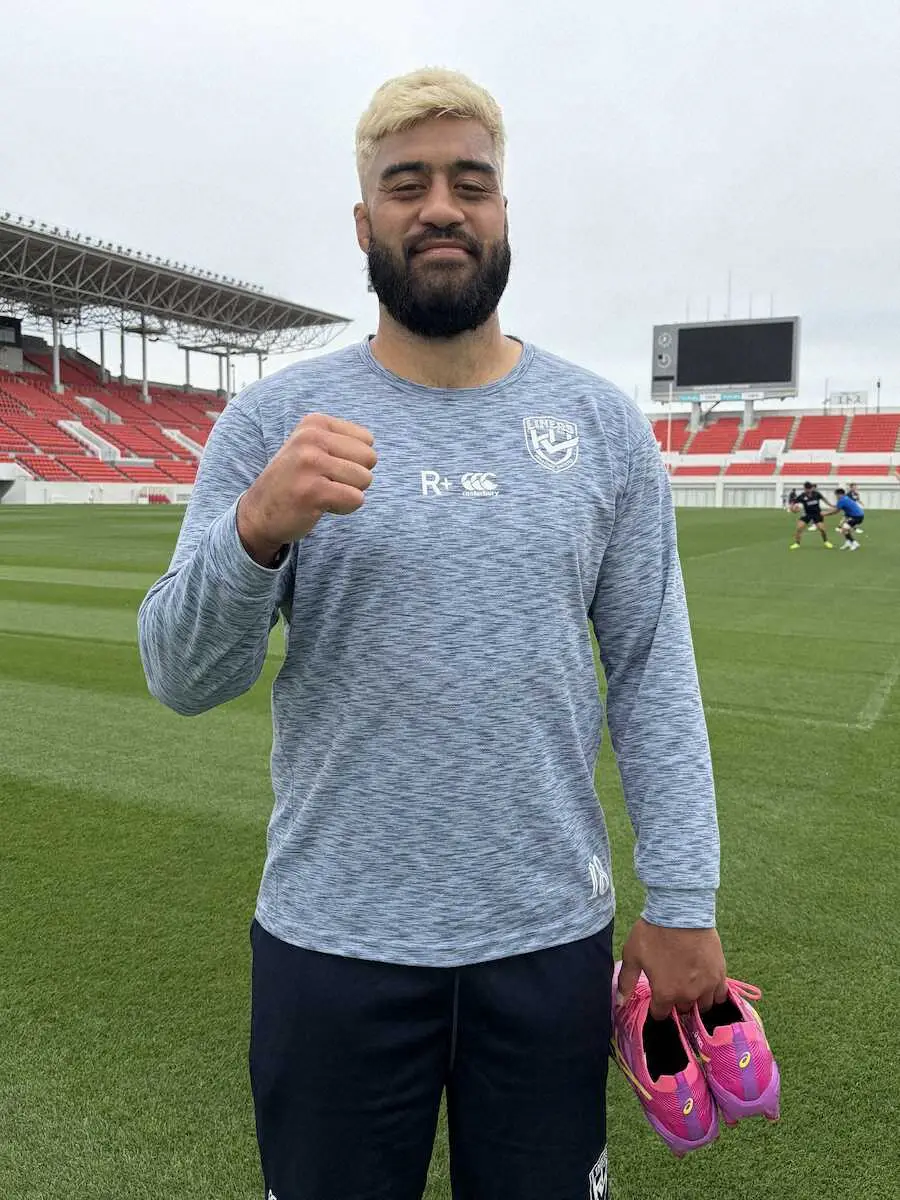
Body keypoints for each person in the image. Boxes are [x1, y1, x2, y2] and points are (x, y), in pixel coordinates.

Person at [138, 67, 725, 1200]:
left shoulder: (600, 426)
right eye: (407, 185)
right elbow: (181, 674)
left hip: (548, 941)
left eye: (471, 182)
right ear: (365, 223)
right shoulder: (273, 424)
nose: (442, 208)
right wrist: (256, 530)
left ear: (503, 212)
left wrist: (683, 899)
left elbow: (653, 671)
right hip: (332, 944)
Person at [789, 481, 833, 549]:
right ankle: (797, 543)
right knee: (799, 528)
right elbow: (794, 502)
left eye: (809, 489)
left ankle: (826, 542)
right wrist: (792, 508)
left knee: (822, 529)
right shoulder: (802, 496)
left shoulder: (817, 494)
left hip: (817, 514)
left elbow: (824, 499)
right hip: (807, 514)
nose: (808, 490)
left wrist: (831, 505)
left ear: (811, 488)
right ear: (804, 489)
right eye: (806, 489)